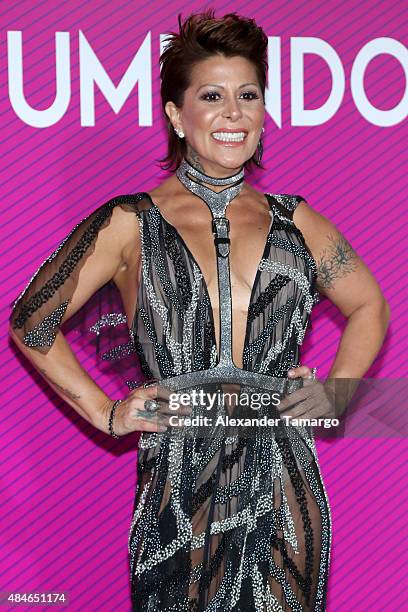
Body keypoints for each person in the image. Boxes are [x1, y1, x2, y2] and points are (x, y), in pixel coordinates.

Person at [8, 9, 390, 612]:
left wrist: (337, 394)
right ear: (175, 116)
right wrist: (107, 414)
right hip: (180, 489)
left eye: (248, 95)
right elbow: (32, 321)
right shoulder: (128, 222)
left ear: (264, 113)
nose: (233, 112)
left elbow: (370, 304)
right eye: (211, 96)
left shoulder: (298, 221)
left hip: (283, 481)